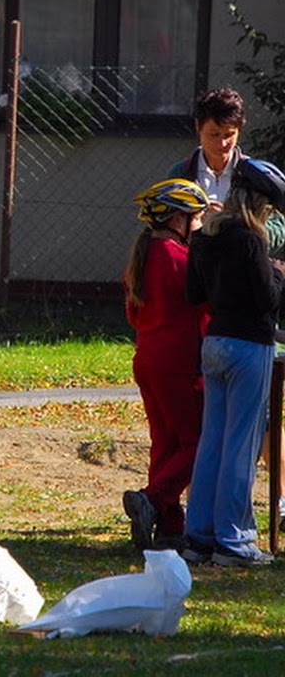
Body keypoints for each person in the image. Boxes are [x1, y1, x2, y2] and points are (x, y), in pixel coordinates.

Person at [169, 86, 285, 516]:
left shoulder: (254, 176)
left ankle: (214, 523)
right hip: (220, 314)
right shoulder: (181, 173)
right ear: (199, 130)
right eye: (216, 134)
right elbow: (163, 228)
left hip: (225, 317)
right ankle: (231, 532)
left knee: (245, 427)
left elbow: (276, 231)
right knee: (230, 435)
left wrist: (221, 236)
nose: (223, 144)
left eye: (231, 135)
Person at [182, 158, 285, 567]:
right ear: (260, 204)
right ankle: (235, 541)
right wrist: (279, 273)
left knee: (212, 442)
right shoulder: (250, 239)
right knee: (241, 446)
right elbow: (268, 299)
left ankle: (199, 536)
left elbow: (193, 293)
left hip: (215, 342)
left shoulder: (206, 237)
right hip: (249, 346)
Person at [121, 179, 210, 551]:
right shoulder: (181, 259)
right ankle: (152, 501)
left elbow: (132, 314)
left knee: (166, 444)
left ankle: (169, 527)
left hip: (148, 360)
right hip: (177, 363)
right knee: (196, 441)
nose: (199, 224)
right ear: (179, 217)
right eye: (197, 218)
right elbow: (205, 308)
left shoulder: (144, 257)